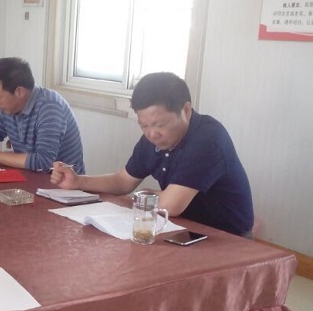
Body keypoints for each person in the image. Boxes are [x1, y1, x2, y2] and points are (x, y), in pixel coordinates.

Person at [50, 72, 254, 237]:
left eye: (160, 124)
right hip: (179, 226)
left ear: (186, 111)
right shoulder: (153, 138)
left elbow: (170, 205)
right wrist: (78, 181)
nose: (152, 134)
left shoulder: (208, 139)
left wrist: (148, 196)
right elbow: (123, 181)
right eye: (144, 125)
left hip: (226, 237)